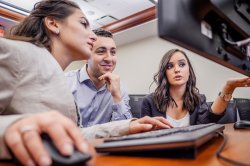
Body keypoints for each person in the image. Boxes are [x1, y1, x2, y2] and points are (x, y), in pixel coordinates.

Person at [0, 1, 171, 166]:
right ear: (53, 23)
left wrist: (128, 126)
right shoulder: (13, 52)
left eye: (113, 52)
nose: (93, 35)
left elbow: (77, 134)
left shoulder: (56, 76)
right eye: (83, 24)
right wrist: (12, 128)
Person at [141, 48, 250, 127]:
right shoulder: (149, 102)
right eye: (170, 66)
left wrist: (228, 87)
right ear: (164, 73)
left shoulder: (198, 99)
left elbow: (210, 119)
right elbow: (144, 138)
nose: (177, 70)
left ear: (189, 71)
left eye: (182, 64)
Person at [65, 29, 132, 127]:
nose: (109, 58)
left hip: (102, 142)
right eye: (101, 52)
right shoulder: (65, 82)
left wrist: (117, 97)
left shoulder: (120, 89)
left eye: (113, 52)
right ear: (85, 57)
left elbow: (126, 128)